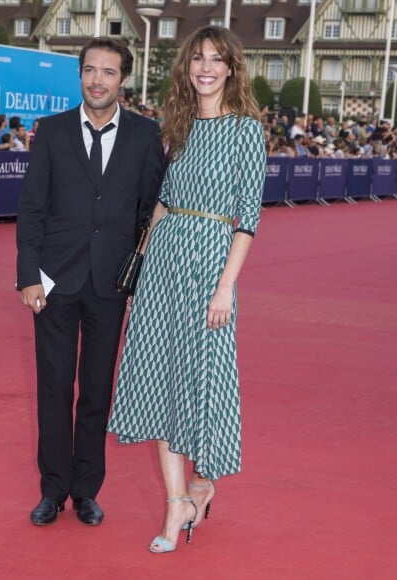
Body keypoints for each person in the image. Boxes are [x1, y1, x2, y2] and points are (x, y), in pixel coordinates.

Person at [107, 25, 265, 553]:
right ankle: (176, 504)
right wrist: (143, 254)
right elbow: (163, 200)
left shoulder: (246, 131)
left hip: (212, 264)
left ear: (230, 69)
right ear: (187, 67)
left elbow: (247, 220)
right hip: (164, 262)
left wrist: (226, 289)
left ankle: (204, 482)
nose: (205, 67)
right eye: (198, 58)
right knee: (159, 379)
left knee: (203, 380)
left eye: (216, 59)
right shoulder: (175, 126)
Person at [16, 37, 164, 528]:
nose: (98, 80)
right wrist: (27, 276)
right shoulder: (52, 131)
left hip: (110, 284)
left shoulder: (146, 136)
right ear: (79, 75)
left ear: (124, 79)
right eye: (90, 71)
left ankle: (86, 491)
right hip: (55, 282)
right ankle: (52, 490)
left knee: (96, 392)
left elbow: (150, 211)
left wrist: (139, 276)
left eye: (109, 72)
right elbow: (32, 209)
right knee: (54, 389)